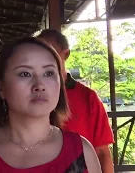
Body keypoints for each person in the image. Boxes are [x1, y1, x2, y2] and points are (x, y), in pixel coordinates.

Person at [0, 37, 101, 173]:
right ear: (1, 87)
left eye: (48, 73)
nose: (39, 85)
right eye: (25, 74)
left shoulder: (82, 151)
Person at [38, 29, 114, 173]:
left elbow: (103, 153)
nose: (44, 57)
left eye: (50, 50)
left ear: (65, 54)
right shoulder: (32, 95)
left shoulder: (88, 98)